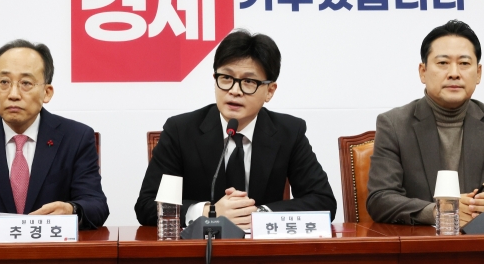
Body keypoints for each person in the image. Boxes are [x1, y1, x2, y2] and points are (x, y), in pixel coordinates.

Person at [135, 30, 337, 229]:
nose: (234, 90)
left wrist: (259, 215)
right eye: (226, 78)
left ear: (270, 91)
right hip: (198, 253)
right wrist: (208, 212)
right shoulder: (181, 130)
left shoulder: (289, 132)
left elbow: (323, 202)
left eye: (249, 82)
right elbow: (147, 205)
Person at [367, 20, 484, 226]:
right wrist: (441, 212)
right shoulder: (394, 124)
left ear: (478, 73)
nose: (454, 73)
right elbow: (381, 198)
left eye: (464, 63)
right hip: (423, 247)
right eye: (443, 63)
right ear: (423, 71)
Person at [0, 39, 109, 230]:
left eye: (26, 83)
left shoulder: (76, 137)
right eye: (4, 82)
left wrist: (72, 210)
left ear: (47, 92)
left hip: (51, 253)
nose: (13, 94)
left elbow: (96, 206)